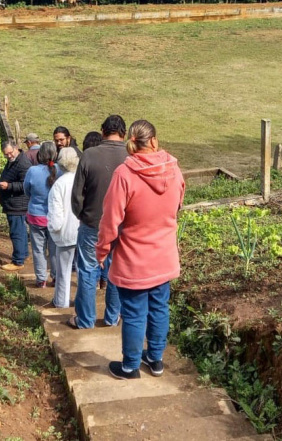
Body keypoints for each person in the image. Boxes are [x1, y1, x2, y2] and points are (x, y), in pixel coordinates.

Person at [96, 119, 185, 379]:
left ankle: (130, 366)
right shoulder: (175, 170)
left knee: (134, 313)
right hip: (164, 256)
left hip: (134, 259)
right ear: (154, 141)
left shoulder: (125, 175)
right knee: (159, 309)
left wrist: (102, 251)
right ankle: (155, 360)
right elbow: (177, 205)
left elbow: (110, 220)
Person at [67, 115, 128, 329]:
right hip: (122, 227)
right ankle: (112, 318)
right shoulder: (131, 156)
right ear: (124, 133)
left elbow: (77, 196)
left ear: (102, 131)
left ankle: (85, 319)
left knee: (87, 270)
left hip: (93, 223)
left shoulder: (89, 155)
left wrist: (83, 215)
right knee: (116, 272)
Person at [47, 147, 80, 308]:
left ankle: (61, 302)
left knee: (63, 272)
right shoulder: (83, 180)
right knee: (84, 272)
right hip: (83, 232)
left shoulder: (59, 185)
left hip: (65, 234)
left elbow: (56, 215)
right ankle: (83, 303)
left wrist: (53, 230)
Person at [22, 142, 58, 287]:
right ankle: (55, 276)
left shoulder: (32, 171)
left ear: (39, 154)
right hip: (54, 217)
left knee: (38, 249)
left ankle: (41, 279)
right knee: (54, 249)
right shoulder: (59, 170)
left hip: (36, 216)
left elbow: (26, 190)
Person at [0, 140, 32, 272]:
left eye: (10, 153)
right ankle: (23, 254)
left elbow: (25, 184)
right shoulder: (14, 160)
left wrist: (8, 186)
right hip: (13, 202)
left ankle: (18, 261)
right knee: (20, 231)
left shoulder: (23, 163)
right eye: (6, 155)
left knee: (16, 232)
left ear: (16, 148)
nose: (9, 156)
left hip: (17, 203)